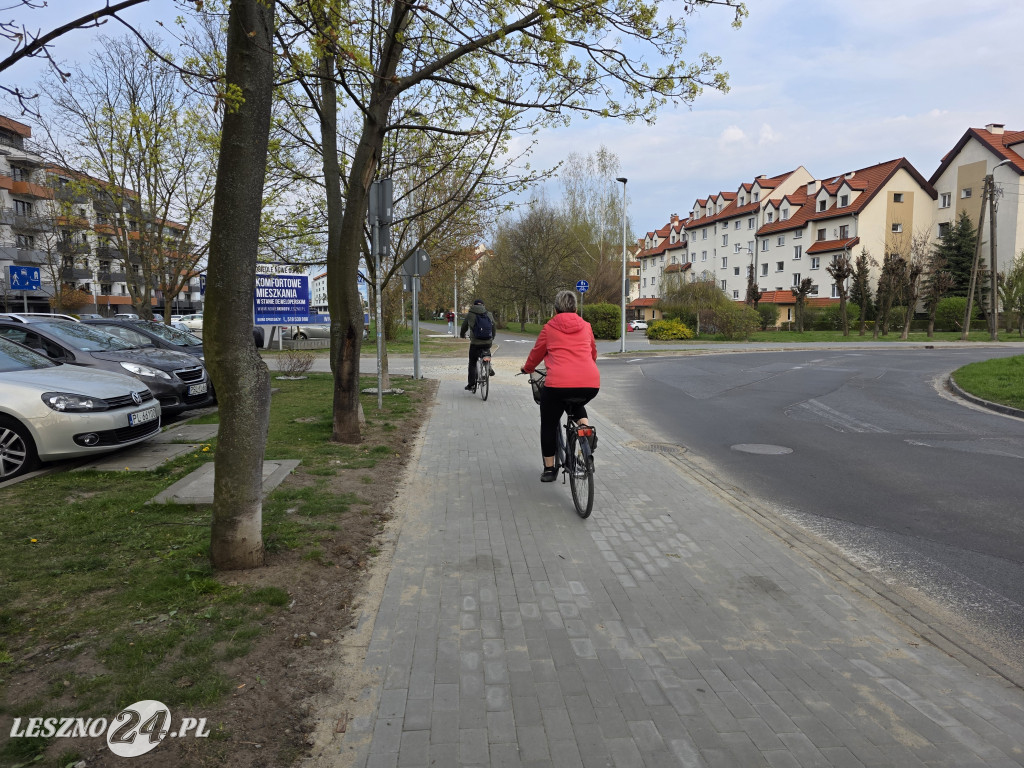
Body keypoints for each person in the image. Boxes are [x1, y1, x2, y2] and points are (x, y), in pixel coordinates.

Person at [520, 290, 599, 482]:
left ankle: (549, 470)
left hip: (558, 385)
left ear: (555, 310)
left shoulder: (549, 327)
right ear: (575, 308)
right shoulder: (586, 326)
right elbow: (592, 353)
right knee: (576, 402)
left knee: (548, 423)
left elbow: (536, 354)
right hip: (589, 383)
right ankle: (586, 433)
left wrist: (527, 368)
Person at [460, 299, 496, 391]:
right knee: (486, 351)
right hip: (488, 342)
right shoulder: (489, 314)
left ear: (474, 305)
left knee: (472, 362)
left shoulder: (470, 314)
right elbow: (493, 327)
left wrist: (462, 334)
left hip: (475, 342)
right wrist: (492, 338)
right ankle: (489, 366)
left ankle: (471, 384)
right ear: (483, 305)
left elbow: (464, 326)